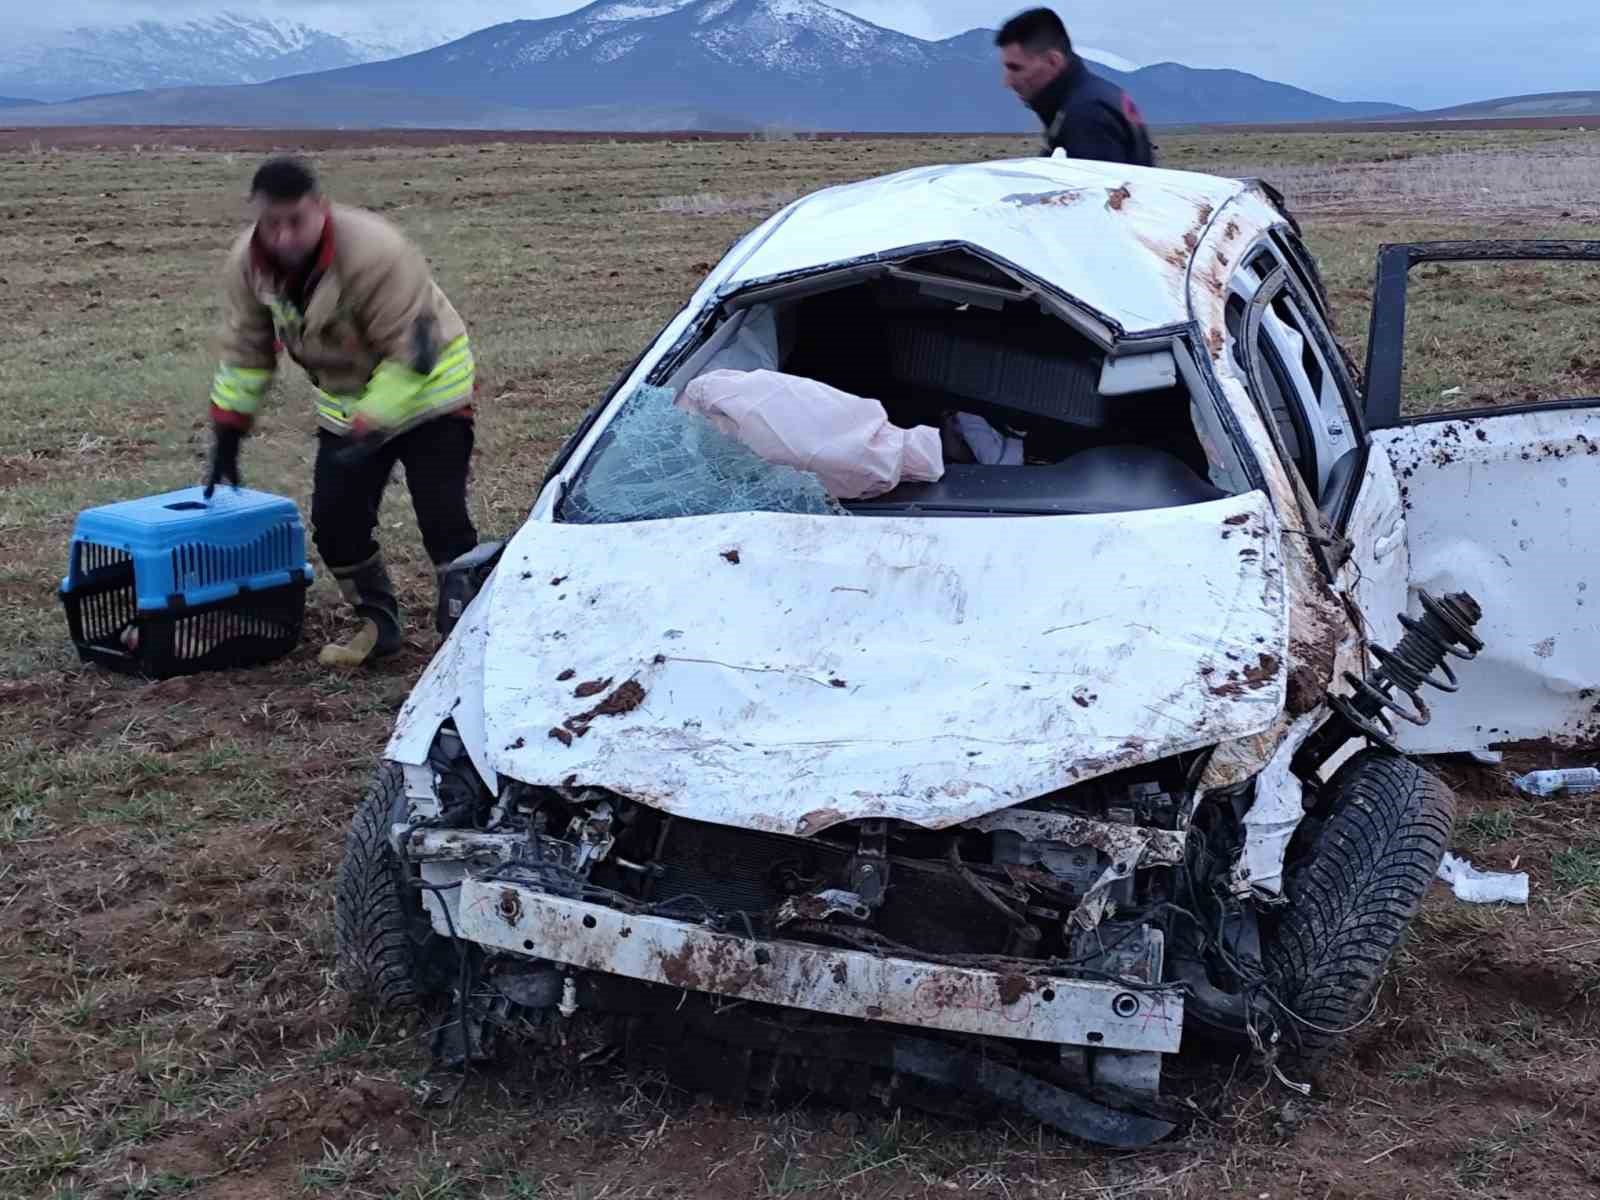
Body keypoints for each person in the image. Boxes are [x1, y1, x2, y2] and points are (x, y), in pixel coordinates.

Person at [205, 156, 480, 668]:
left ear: (320, 209)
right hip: (349, 402)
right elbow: (246, 350)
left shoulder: (377, 250)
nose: (283, 236)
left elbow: (416, 350)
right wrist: (229, 427)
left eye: (296, 221)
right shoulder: (249, 264)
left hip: (430, 390)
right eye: (271, 223)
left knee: (442, 517)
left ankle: (470, 627)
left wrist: (369, 424)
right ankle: (378, 624)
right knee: (335, 525)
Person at [996, 8, 1154, 168]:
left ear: (1053, 61)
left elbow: (1097, 183)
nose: (1007, 81)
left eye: (1016, 68)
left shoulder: (1088, 114)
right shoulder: (1088, 98)